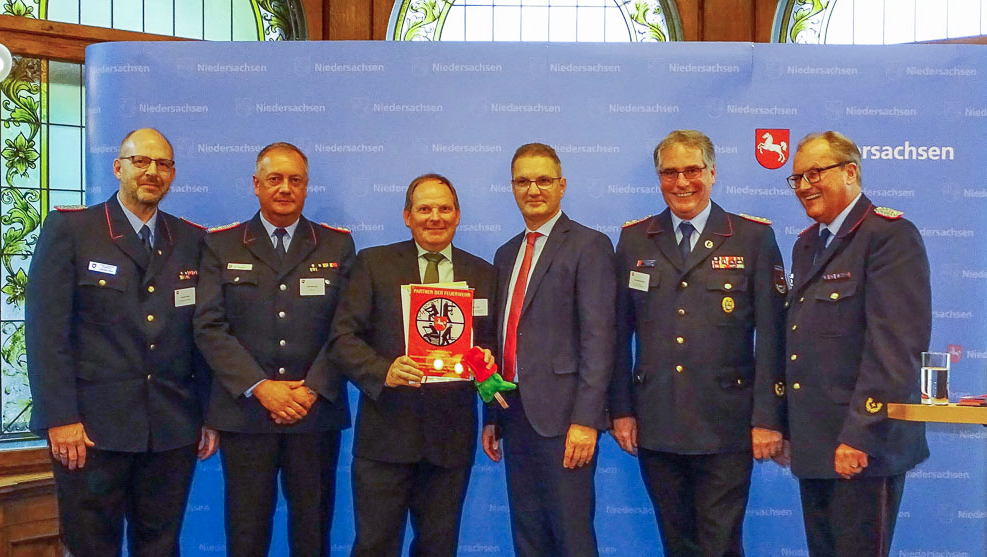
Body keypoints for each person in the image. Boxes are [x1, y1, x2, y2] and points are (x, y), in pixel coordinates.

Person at [25, 127, 218, 556]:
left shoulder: (192, 239)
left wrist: (208, 413)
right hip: (91, 431)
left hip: (170, 428)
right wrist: (60, 418)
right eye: (140, 161)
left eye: (163, 164)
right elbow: (45, 334)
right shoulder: (73, 229)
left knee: (161, 547)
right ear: (118, 168)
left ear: (172, 174)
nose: (152, 171)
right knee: (92, 546)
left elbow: (202, 335)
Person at [608, 129, 787, 557]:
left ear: (712, 173)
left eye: (692, 170)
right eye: (670, 173)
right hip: (657, 422)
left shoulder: (752, 238)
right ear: (659, 178)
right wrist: (621, 410)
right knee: (677, 543)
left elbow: (774, 336)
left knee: (719, 545)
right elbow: (616, 335)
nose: (682, 182)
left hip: (727, 425)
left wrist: (768, 418)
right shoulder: (635, 239)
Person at [193, 142, 356, 557]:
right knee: (246, 534)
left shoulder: (336, 245)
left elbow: (347, 329)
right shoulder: (222, 244)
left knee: (313, 533)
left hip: (313, 413)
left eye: (295, 180)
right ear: (256, 184)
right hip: (247, 414)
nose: (285, 188)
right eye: (275, 179)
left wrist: (311, 389)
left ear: (306, 186)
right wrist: (262, 388)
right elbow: (209, 327)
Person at [324, 173, 497, 556]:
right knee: (374, 547)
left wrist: (486, 364)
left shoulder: (483, 273)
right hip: (385, 436)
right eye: (424, 209)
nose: (435, 217)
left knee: (439, 548)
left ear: (457, 215)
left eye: (444, 209)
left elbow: (491, 347)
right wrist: (382, 370)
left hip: (450, 439)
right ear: (407, 216)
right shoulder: (374, 264)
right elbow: (342, 339)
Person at [785, 131, 930, 557]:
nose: (804, 186)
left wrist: (861, 436)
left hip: (864, 446)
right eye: (797, 178)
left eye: (815, 173)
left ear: (850, 172)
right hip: (817, 444)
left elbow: (896, 348)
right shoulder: (807, 244)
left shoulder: (889, 235)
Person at [482, 143, 617, 557]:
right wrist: (493, 416)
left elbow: (599, 339)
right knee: (528, 537)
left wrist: (586, 420)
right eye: (523, 181)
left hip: (564, 419)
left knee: (571, 536)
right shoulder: (506, 253)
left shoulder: (589, 245)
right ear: (512, 188)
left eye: (543, 180)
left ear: (562, 186)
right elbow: (501, 338)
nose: (533, 189)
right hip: (514, 414)